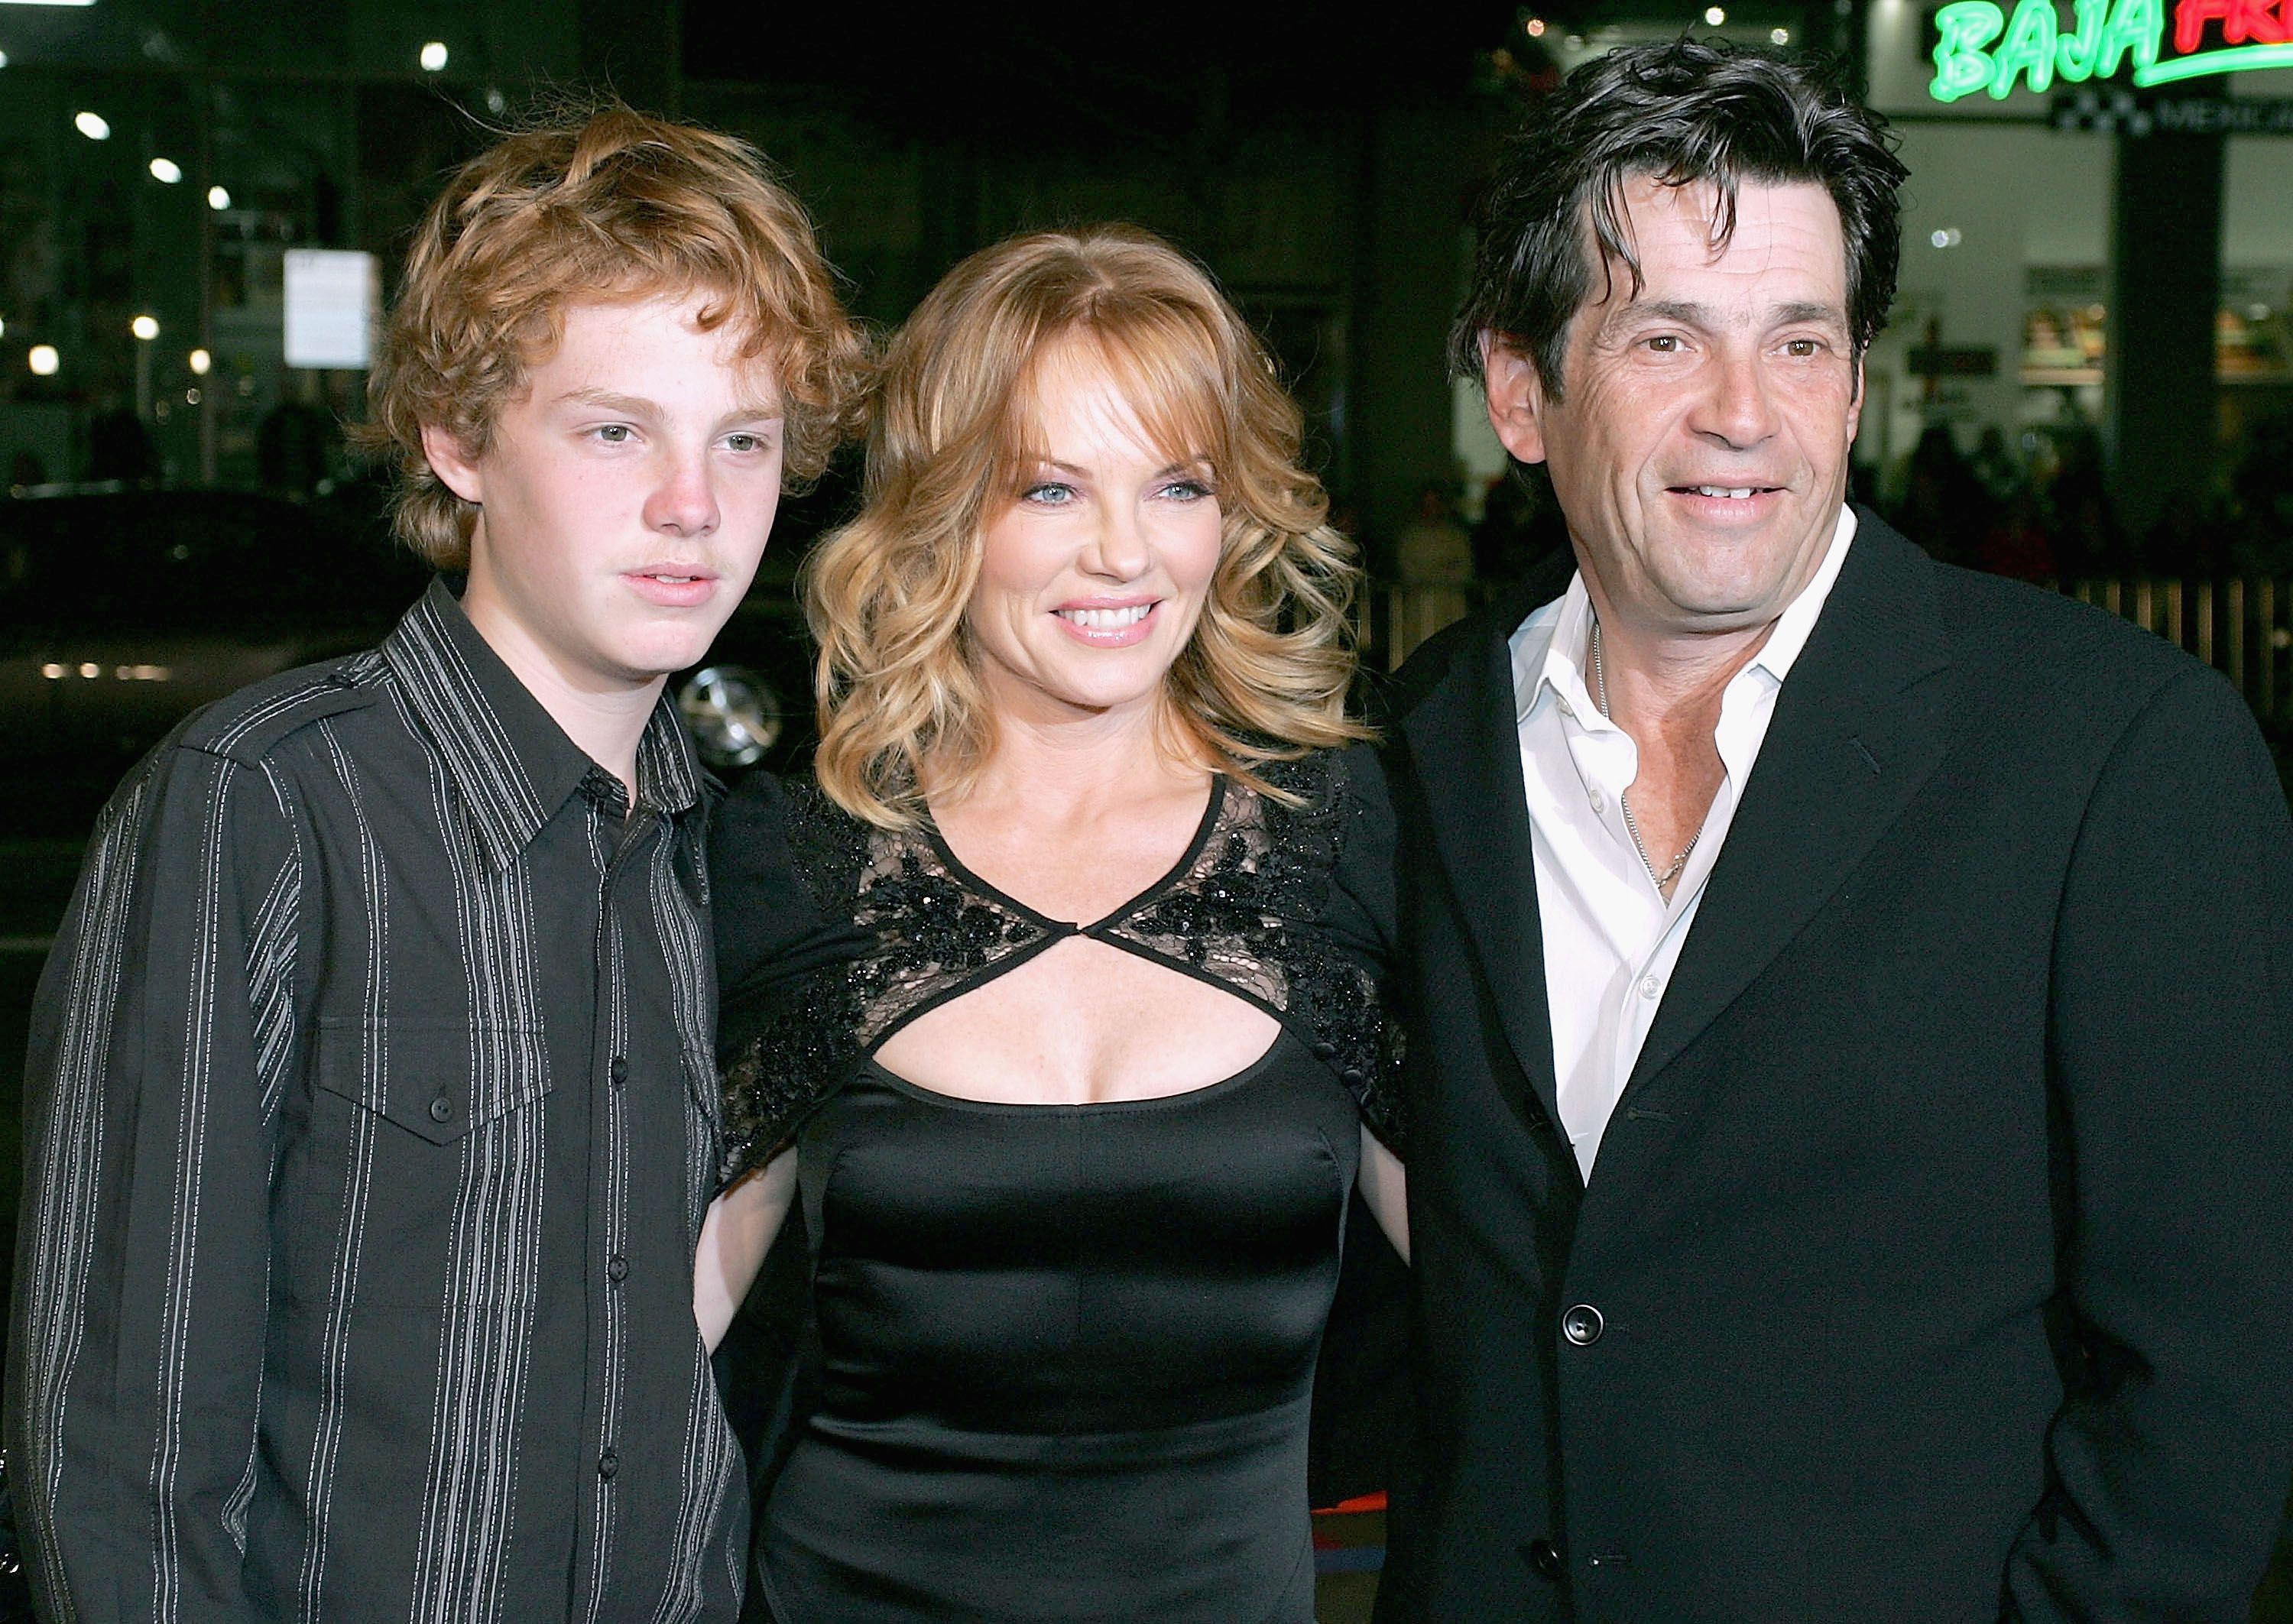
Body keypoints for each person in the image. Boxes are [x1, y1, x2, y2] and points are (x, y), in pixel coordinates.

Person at [1377, 39, 2293, 1623]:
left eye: (1800, 342)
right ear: (1522, 388)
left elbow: (2208, 1375)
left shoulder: (2115, 751)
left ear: (1855, 379)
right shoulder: (1420, 743)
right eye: (1668, 336)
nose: (1748, 415)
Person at [5, 108, 864, 1619]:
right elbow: (124, 1442)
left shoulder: (717, 846)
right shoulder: (261, 806)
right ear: (456, 439)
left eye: (743, 438)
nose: (695, 503)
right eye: (616, 430)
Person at [695, 224, 1409, 1622]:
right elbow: (647, 1350)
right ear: (945, 510)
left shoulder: (1350, 841)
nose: (1125, 552)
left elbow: (1519, 1304)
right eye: (1049, 487)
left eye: (1178, 483)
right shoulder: (788, 865)